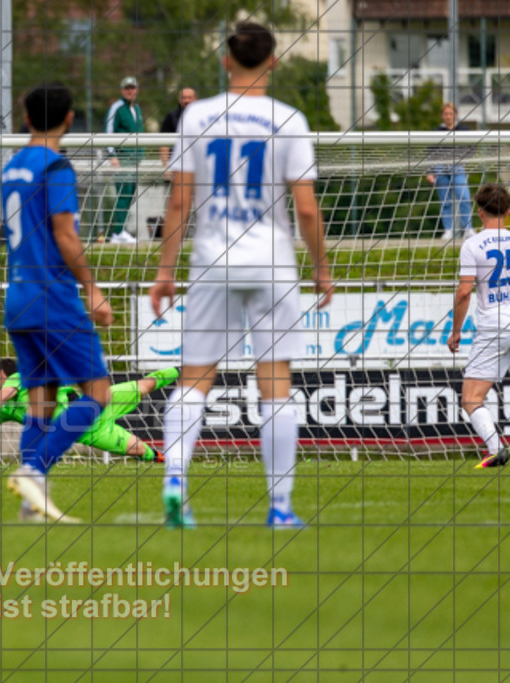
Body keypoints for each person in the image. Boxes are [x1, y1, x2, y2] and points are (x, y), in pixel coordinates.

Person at [150, 22, 333, 529]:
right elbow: (307, 210)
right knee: (275, 383)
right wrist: (321, 267)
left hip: (212, 258)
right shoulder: (289, 120)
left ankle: (176, 483)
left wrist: (165, 271)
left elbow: (179, 201)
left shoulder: (198, 116)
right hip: (272, 260)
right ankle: (279, 507)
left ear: (226, 61)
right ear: (273, 61)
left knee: (193, 380)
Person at [1, 81, 114, 523]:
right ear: (69, 119)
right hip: (52, 296)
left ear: (26, 117)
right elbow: (64, 234)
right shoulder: (56, 167)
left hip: (18, 295)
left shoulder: (11, 167)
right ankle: (33, 469)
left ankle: (32, 505)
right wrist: (92, 287)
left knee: (40, 401)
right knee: (98, 393)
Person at [0, 358, 181, 466]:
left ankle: (185, 370)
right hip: (89, 431)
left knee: (146, 385)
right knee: (139, 450)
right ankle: (168, 462)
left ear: (3, 375)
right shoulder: (9, 411)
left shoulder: (18, 378)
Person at [447, 183, 510, 469]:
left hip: (493, 325)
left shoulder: (472, 245)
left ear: (479, 211)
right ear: (508, 212)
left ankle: (497, 449)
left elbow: (464, 292)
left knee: (472, 398)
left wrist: (456, 330)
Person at [102, 76, 145, 244]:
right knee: (122, 193)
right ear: (122, 90)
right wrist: (112, 156)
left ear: (137, 89)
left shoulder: (137, 108)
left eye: (132, 88)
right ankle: (117, 233)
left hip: (135, 160)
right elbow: (108, 132)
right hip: (122, 158)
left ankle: (121, 231)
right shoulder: (117, 107)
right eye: (127, 88)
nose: (130, 91)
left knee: (129, 194)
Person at [426, 103, 476, 241]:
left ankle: (468, 229)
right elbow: (430, 153)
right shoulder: (436, 132)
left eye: (450, 113)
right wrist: (429, 172)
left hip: (458, 167)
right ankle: (448, 230)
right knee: (445, 201)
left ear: (455, 114)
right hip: (440, 168)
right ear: (442, 116)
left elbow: (472, 147)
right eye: (446, 114)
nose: (448, 116)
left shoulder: (463, 130)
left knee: (464, 197)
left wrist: (462, 159)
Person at [159, 87, 197, 165]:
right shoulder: (171, 117)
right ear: (179, 100)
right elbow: (164, 144)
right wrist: (165, 167)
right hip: (177, 164)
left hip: (199, 163)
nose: (187, 100)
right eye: (184, 98)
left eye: (190, 98)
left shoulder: (203, 117)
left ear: (195, 99)